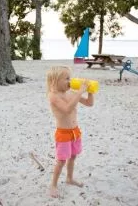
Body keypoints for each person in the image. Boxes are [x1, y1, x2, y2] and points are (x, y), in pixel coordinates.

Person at [46, 66, 94, 198]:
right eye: (67, 78)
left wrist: (90, 91)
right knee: (61, 160)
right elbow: (66, 109)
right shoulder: (53, 96)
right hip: (63, 133)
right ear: (55, 81)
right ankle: (53, 185)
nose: (70, 81)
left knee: (73, 156)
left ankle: (69, 178)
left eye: (70, 78)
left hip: (75, 131)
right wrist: (79, 92)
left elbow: (89, 103)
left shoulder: (71, 93)